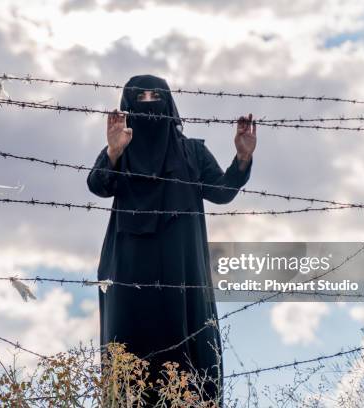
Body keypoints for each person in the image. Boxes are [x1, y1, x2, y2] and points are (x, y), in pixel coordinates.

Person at [87, 74, 256, 406]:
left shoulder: (192, 152)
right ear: (127, 106)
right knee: (128, 350)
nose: (149, 104)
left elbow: (221, 192)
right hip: (129, 269)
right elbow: (98, 185)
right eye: (141, 98)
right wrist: (113, 150)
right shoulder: (122, 149)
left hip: (183, 269)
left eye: (156, 97)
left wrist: (242, 158)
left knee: (189, 344)